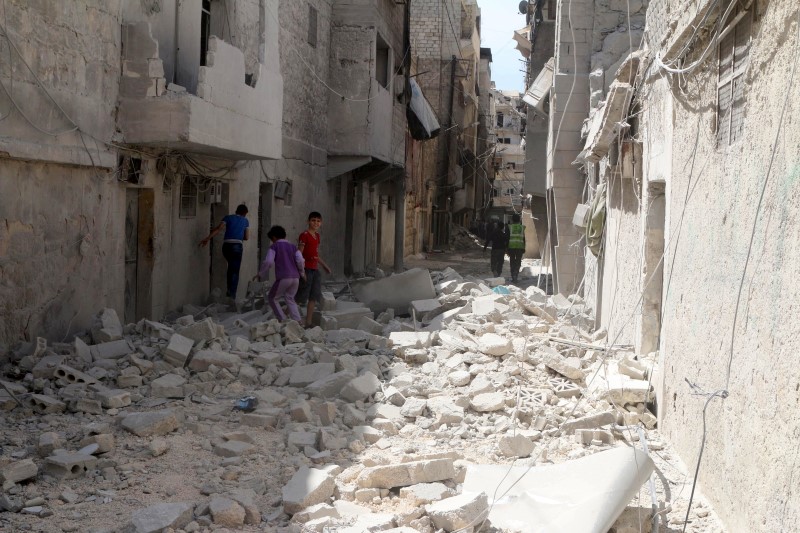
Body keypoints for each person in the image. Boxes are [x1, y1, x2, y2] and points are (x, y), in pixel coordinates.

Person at [255, 225, 306, 322]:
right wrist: (302, 273)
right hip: (296, 278)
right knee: (290, 298)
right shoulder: (293, 247)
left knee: (272, 298)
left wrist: (261, 273)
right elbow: (300, 260)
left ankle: (283, 320)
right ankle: (298, 320)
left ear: (273, 237)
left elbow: (268, 262)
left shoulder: (274, 246)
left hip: (283, 277)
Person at [199, 204, 250, 299]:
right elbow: (246, 237)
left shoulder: (228, 217)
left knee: (230, 267)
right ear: (245, 213)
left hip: (226, 246)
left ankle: (229, 291)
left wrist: (207, 238)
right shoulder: (245, 221)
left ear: (236, 211)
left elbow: (219, 229)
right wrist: (239, 235)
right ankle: (231, 296)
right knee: (235, 271)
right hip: (237, 247)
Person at [296, 211, 332, 327]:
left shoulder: (317, 236)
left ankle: (309, 322)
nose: (316, 223)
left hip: (315, 270)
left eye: (318, 221)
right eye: (313, 220)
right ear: (308, 221)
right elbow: (299, 255)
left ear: (321, 223)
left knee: (313, 297)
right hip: (306, 269)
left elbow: (315, 255)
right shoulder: (304, 235)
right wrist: (301, 271)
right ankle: (283, 316)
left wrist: (324, 266)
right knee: (301, 297)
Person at [507, 213, 526, 282]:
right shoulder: (522, 227)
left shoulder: (509, 227)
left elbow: (507, 238)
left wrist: (506, 248)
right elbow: (524, 238)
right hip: (520, 247)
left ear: (512, 219)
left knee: (512, 261)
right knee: (518, 261)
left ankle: (513, 276)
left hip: (511, 247)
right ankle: (516, 274)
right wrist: (524, 247)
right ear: (519, 220)